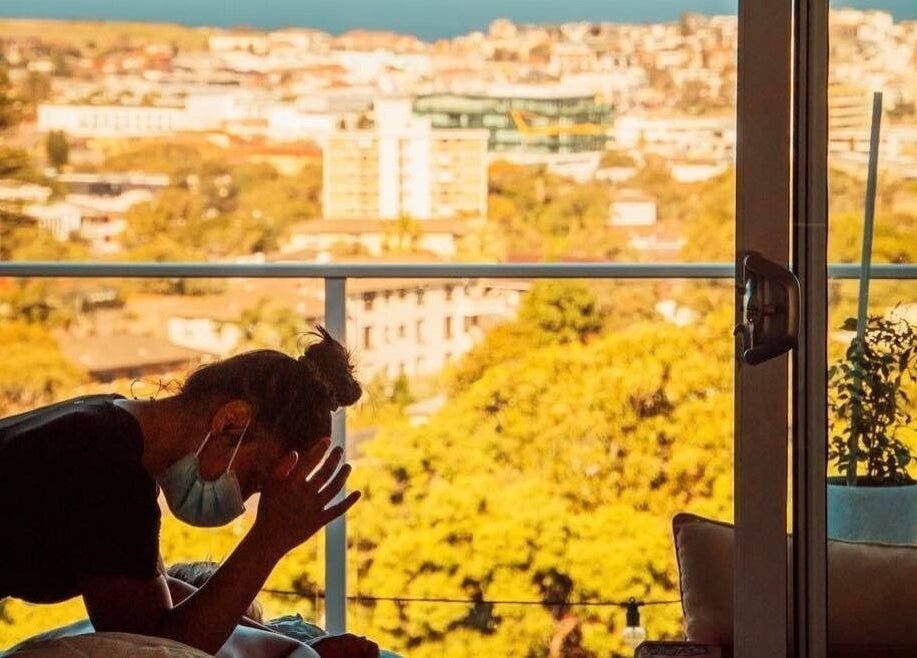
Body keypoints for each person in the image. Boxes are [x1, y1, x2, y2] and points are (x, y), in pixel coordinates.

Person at [0, 328, 363, 656]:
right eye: (253, 480)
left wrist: (291, 645)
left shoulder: (113, 427)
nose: (241, 503)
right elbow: (160, 645)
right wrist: (269, 540)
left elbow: (155, 593)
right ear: (230, 421)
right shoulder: (106, 466)